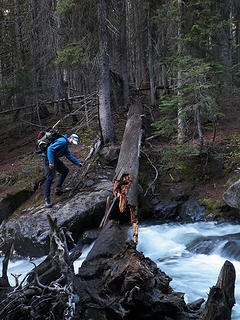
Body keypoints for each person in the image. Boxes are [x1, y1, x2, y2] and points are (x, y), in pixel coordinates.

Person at [43, 133, 81, 207]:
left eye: (73, 143)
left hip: (54, 158)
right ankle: (47, 199)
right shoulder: (62, 141)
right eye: (72, 141)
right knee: (50, 178)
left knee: (65, 171)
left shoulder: (65, 145)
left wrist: (78, 163)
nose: (72, 143)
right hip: (48, 158)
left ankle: (58, 189)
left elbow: (68, 155)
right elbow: (49, 149)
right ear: (70, 138)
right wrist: (51, 162)